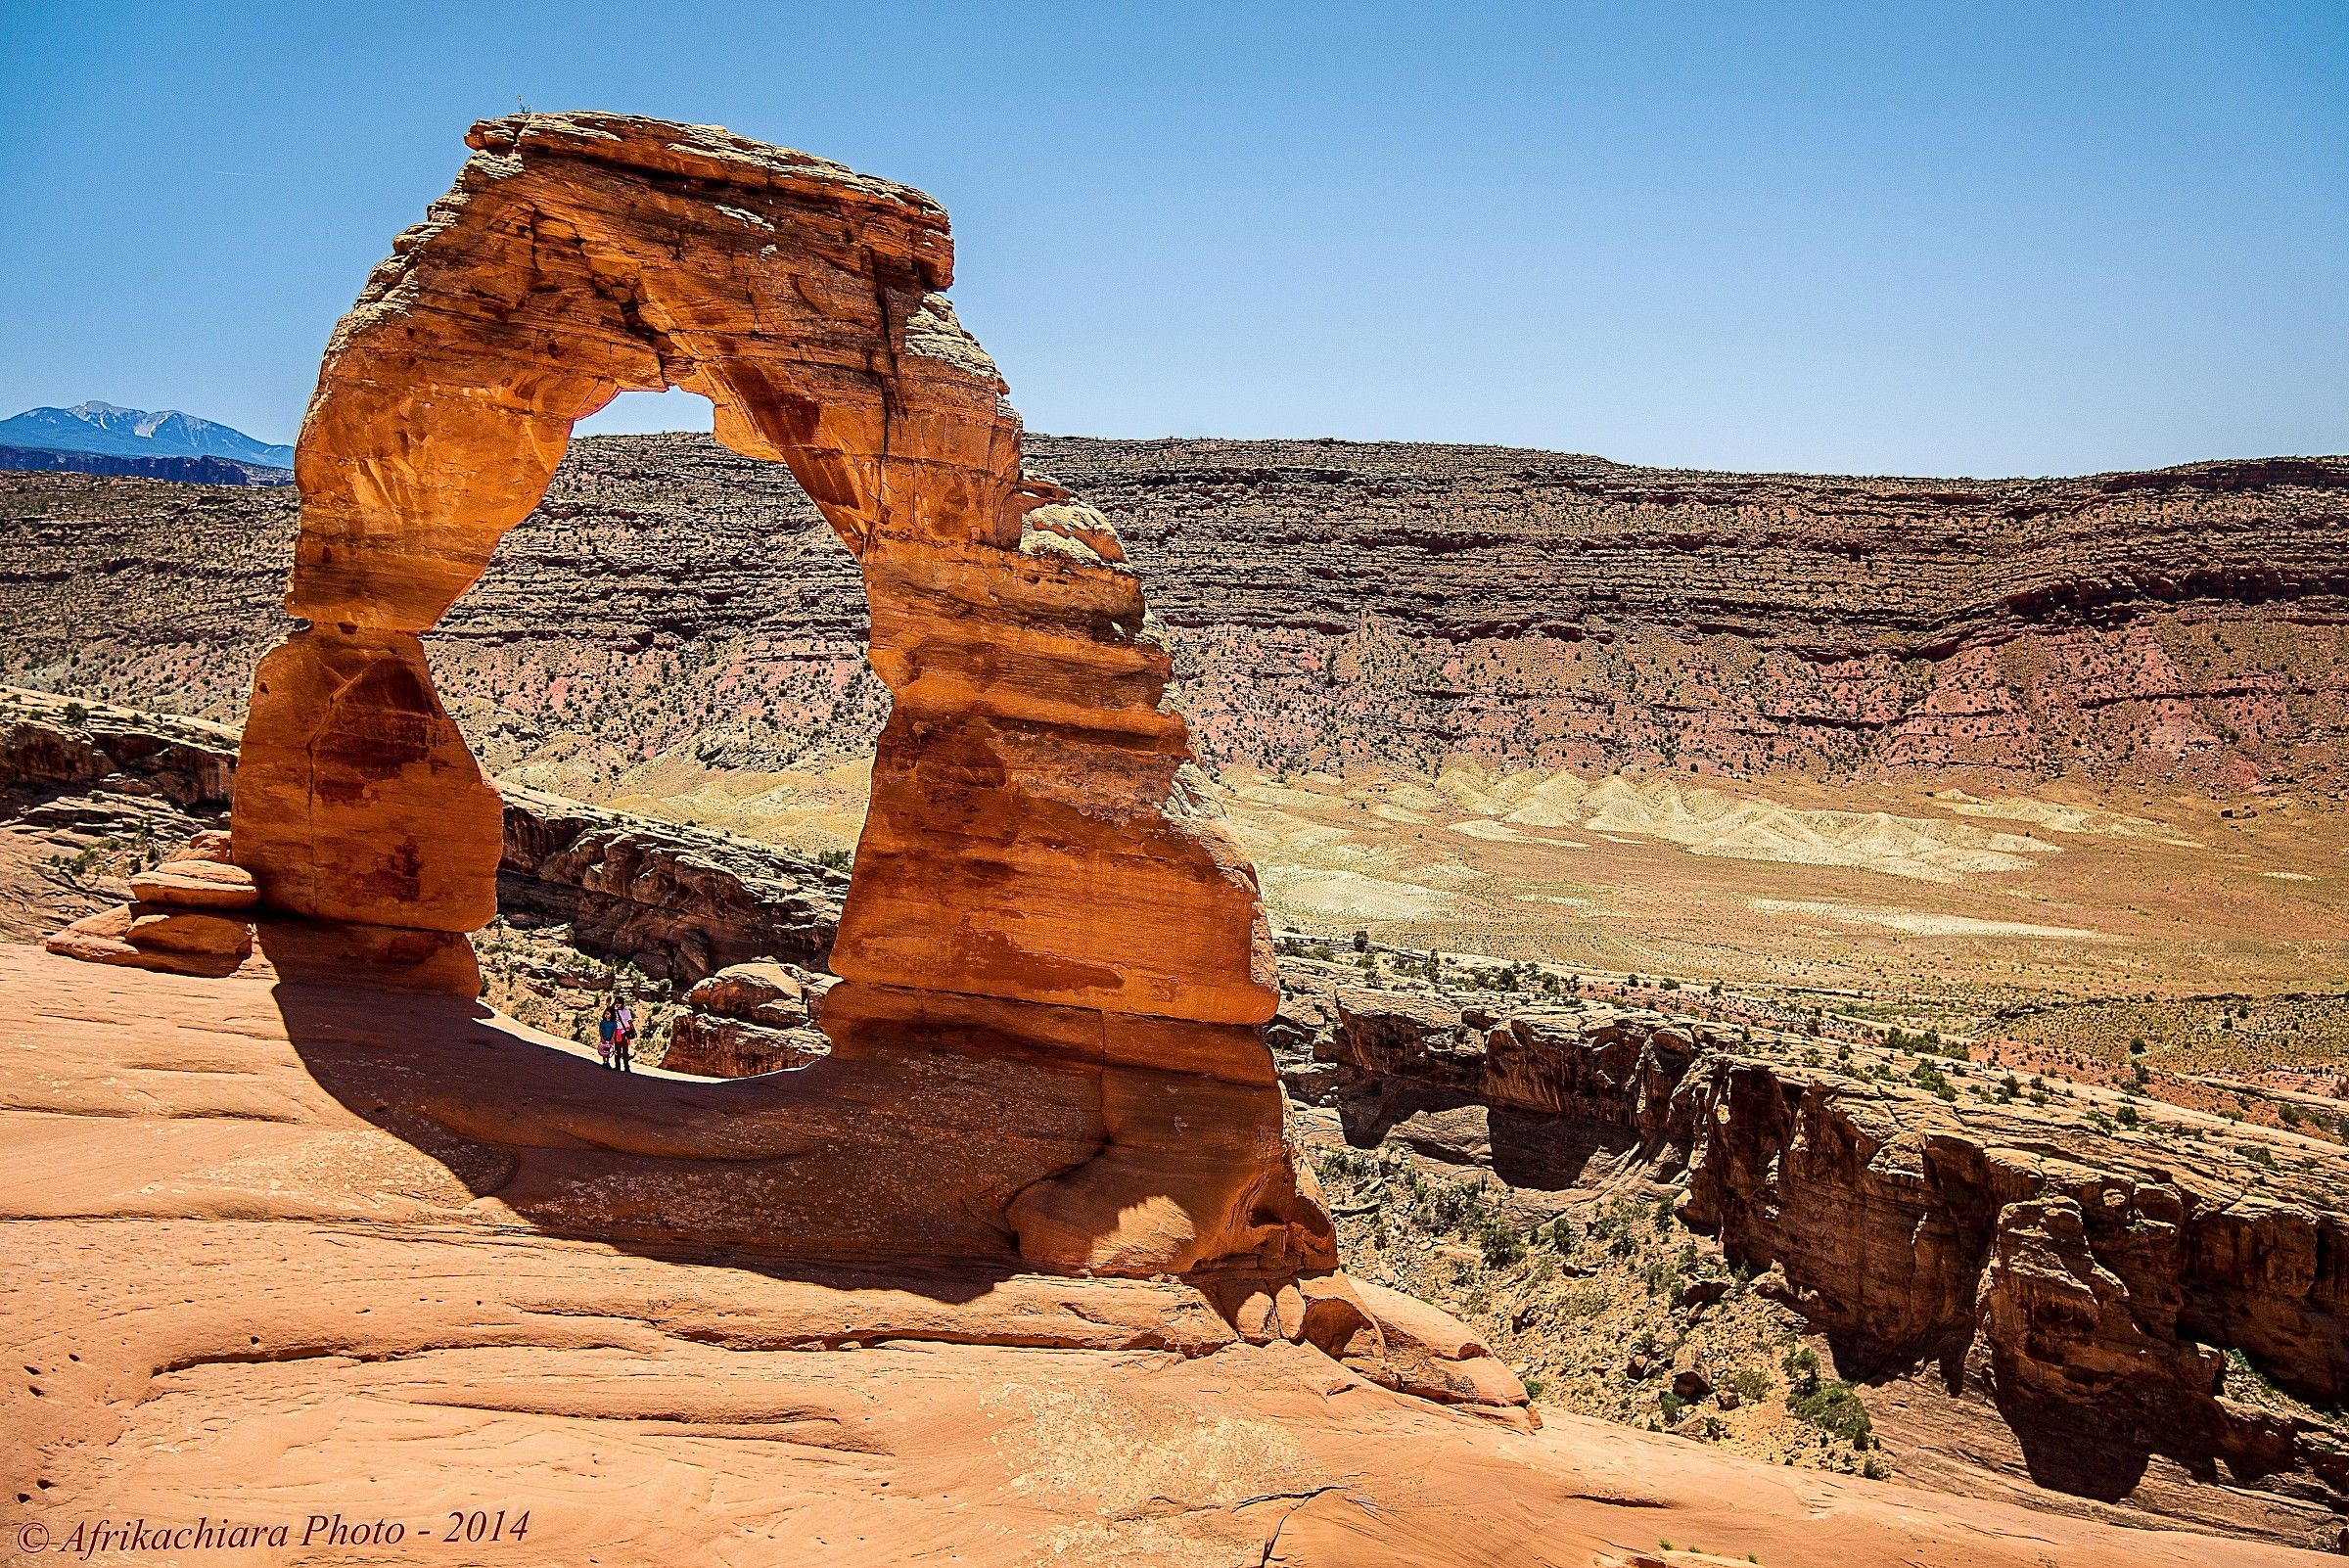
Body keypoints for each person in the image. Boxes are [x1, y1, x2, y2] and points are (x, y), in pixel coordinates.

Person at [613, 1000, 635, 1074]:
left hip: (624, 1033)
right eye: (616, 1003)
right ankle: (617, 1066)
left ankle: (626, 1067)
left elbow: (629, 1021)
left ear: (622, 1003)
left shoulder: (626, 1011)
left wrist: (633, 1030)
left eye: (618, 1003)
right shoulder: (615, 1011)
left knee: (625, 1051)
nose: (617, 1004)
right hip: (617, 1033)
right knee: (617, 1050)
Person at [595, 1004, 618, 1071]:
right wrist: (601, 1037)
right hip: (604, 1038)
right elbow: (600, 1030)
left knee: (608, 1050)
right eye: (605, 1013)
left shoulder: (613, 1023)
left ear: (611, 1015)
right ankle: (604, 1061)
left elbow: (614, 1031)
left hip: (610, 1038)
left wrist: (612, 1038)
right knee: (603, 1050)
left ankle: (607, 1062)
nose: (606, 1015)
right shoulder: (603, 1022)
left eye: (608, 1014)